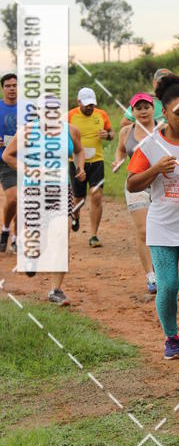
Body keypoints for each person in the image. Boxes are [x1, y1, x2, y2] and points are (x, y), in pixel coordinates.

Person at [126, 74, 179, 360]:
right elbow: (131, 184)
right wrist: (155, 169)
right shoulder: (150, 145)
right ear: (165, 112)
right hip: (161, 226)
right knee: (168, 285)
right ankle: (171, 337)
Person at [3, 113, 86, 304]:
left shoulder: (70, 130)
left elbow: (79, 151)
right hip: (33, 190)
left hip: (61, 189)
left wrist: (79, 167)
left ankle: (56, 290)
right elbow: (8, 155)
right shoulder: (28, 131)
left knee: (62, 237)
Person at [112, 93, 158, 294]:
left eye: (146, 106)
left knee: (159, 230)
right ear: (132, 111)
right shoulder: (125, 131)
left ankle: (162, 270)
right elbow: (121, 150)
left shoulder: (163, 129)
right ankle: (151, 276)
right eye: (138, 108)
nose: (143, 111)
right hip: (136, 185)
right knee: (143, 231)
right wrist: (118, 160)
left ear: (153, 107)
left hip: (160, 185)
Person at [68, 87, 113, 247]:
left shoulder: (101, 114)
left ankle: (94, 235)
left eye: (92, 104)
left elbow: (111, 133)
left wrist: (106, 135)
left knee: (97, 195)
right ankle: (75, 215)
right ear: (79, 102)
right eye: (87, 104)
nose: (90, 107)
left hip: (97, 161)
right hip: (75, 162)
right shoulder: (70, 116)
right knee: (78, 198)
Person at [0, 73, 18, 253]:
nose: (12, 89)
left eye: (14, 85)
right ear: (3, 88)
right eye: (8, 86)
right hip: (4, 159)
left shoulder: (27, 109)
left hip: (25, 159)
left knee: (22, 200)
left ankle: (16, 238)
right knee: (13, 198)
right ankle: (5, 229)